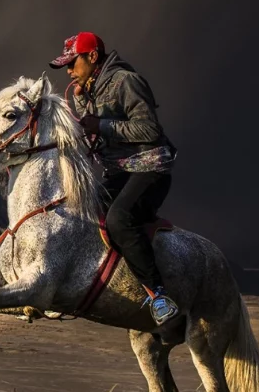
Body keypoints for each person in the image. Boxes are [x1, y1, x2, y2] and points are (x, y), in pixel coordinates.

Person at [49, 32, 180, 326]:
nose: (69, 71)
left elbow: (149, 131)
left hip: (149, 169)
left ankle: (159, 296)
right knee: (80, 213)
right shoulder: (89, 90)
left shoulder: (126, 81)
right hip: (119, 173)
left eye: (73, 63)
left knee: (119, 219)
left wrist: (101, 125)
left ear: (92, 57)